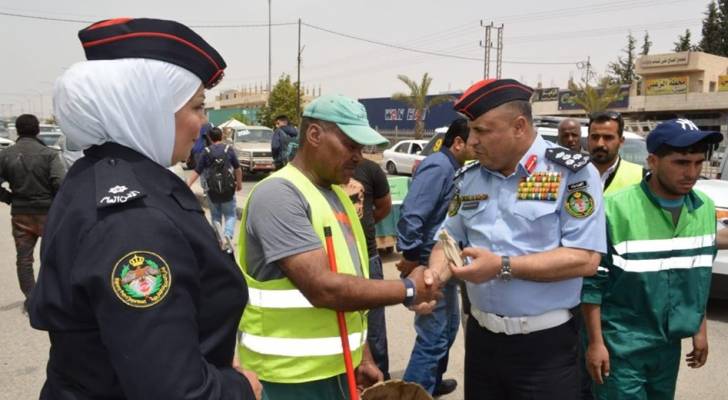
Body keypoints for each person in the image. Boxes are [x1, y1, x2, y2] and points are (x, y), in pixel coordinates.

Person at [28, 18, 261, 400]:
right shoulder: (133, 222)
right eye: (198, 108)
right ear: (147, 107)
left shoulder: (102, 173)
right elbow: (172, 391)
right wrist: (238, 388)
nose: (204, 125)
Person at [236, 94, 441, 399]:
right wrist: (409, 289)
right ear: (315, 135)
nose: (359, 157)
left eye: (362, 148)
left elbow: (352, 287)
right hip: (287, 380)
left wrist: (365, 357)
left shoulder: (339, 196)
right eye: (350, 145)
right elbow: (323, 288)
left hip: (339, 371)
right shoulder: (278, 195)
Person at [428, 78, 606, 400]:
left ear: (519, 127)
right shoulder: (470, 177)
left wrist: (502, 266)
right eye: (471, 130)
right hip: (482, 342)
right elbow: (448, 239)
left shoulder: (571, 173)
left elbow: (585, 258)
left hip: (545, 348)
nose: (471, 141)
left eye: (482, 130)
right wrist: (433, 278)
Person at [581, 118, 722, 400]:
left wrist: (699, 329)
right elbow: (592, 285)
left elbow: (699, 277)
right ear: (654, 162)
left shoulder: (704, 208)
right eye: (681, 163)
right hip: (620, 345)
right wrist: (596, 343)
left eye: (697, 163)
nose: (691, 173)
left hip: (667, 347)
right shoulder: (614, 210)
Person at [396, 117, 472, 396]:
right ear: (459, 142)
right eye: (473, 140)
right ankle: (415, 392)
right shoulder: (438, 166)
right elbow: (412, 215)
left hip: (446, 261)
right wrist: (413, 259)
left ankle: (432, 382)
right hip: (430, 260)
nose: (478, 146)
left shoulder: (455, 168)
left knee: (447, 331)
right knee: (432, 338)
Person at [0, 114, 65, 312]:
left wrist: (9, 198)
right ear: (37, 130)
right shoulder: (49, 154)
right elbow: (59, 183)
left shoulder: (5, 155)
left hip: (20, 214)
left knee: (24, 259)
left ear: (18, 131)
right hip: (48, 214)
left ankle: (31, 298)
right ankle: (54, 296)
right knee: (54, 256)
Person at [348, 157, 393, 379]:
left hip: (369, 258)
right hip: (337, 261)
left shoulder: (370, 169)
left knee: (374, 330)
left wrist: (360, 226)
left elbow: (384, 207)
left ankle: (380, 381)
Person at [187, 126, 243, 241]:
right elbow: (238, 168)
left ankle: (219, 239)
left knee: (215, 216)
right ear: (222, 136)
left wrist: (186, 185)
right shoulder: (228, 149)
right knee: (230, 215)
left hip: (212, 190)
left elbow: (197, 171)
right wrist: (239, 183)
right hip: (228, 188)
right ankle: (227, 235)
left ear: (209, 138)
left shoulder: (206, 152)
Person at [587, 111, 644, 194]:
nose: (600, 144)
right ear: (588, 139)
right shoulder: (571, 174)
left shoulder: (641, 176)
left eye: (608, 137)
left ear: (621, 141)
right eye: (595, 137)